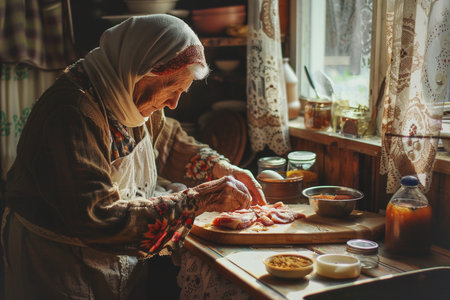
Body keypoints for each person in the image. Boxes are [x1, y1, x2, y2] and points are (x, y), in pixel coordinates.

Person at [2, 14, 265, 300]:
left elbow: (167, 140)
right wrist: (199, 199)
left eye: (182, 92)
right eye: (172, 90)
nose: (174, 104)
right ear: (141, 71)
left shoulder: (125, 88)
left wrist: (220, 167)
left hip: (111, 258)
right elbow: (98, 217)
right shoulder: (72, 113)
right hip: (59, 264)